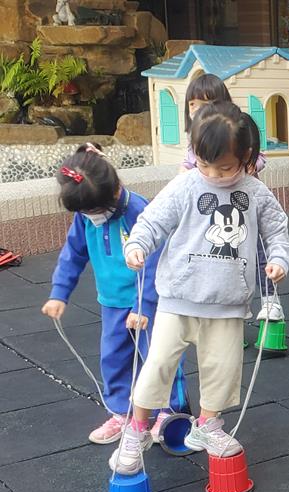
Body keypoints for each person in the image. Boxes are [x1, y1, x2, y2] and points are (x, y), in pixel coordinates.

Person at [109, 102, 289, 475]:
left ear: (246, 156)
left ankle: (207, 425)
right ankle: (137, 428)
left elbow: (277, 230)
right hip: (177, 299)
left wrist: (279, 260)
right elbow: (153, 220)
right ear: (195, 154)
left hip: (227, 302)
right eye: (205, 165)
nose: (213, 174)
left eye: (225, 167)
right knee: (158, 364)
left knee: (223, 369)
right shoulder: (187, 185)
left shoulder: (255, 193)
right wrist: (137, 245)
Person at [42, 143, 189, 445]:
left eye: (94, 212)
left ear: (115, 191)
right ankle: (122, 412)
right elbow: (73, 254)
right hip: (112, 303)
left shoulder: (140, 212)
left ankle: (170, 410)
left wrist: (143, 306)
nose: (91, 217)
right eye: (84, 213)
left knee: (160, 357)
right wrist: (59, 293)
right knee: (114, 359)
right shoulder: (85, 215)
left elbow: (157, 262)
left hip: (151, 303)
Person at [181, 73, 281, 323]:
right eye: (192, 104)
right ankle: (222, 307)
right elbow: (186, 167)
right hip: (215, 214)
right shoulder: (195, 142)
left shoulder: (235, 133)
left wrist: (250, 165)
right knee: (221, 255)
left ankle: (270, 299)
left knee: (258, 251)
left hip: (243, 207)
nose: (197, 110)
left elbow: (258, 156)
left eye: (205, 104)